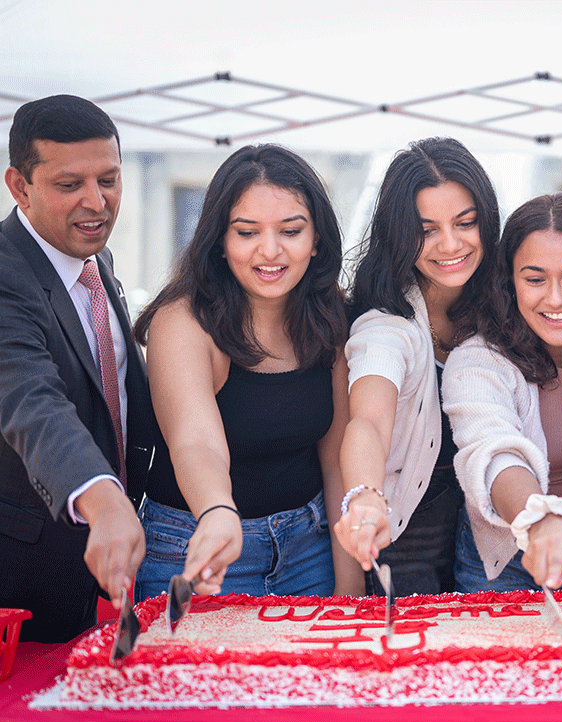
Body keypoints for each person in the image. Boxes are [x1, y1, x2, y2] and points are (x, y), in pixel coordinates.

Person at [133, 144, 359, 601]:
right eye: (247, 232)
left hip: (308, 549)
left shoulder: (330, 313)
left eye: (290, 231)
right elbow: (196, 443)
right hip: (197, 548)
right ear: (220, 239)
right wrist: (217, 511)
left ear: (316, 239)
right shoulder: (183, 321)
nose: (270, 250)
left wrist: (350, 583)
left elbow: (336, 456)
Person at [0, 95, 153, 642]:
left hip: (114, 568)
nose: (97, 203)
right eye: (70, 186)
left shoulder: (95, 257)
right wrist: (101, 496)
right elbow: (30, 399)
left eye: (109, 180)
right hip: (24, 576)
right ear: (19, 186)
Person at [334, 137, 503, 596]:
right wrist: (365, 496)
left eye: (465, 223)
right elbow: (367, 422)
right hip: (403, 544)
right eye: (426, 229)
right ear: (398, 234)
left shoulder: (503, 308)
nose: (450, 244)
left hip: (491, 545)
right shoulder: (386, 326)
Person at [442, 193, 562, 592]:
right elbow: (493, 450)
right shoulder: (477, 360)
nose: (556, 299)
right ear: (510, 280)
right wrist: (542, 521)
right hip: (506, 561)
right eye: (535, 279)